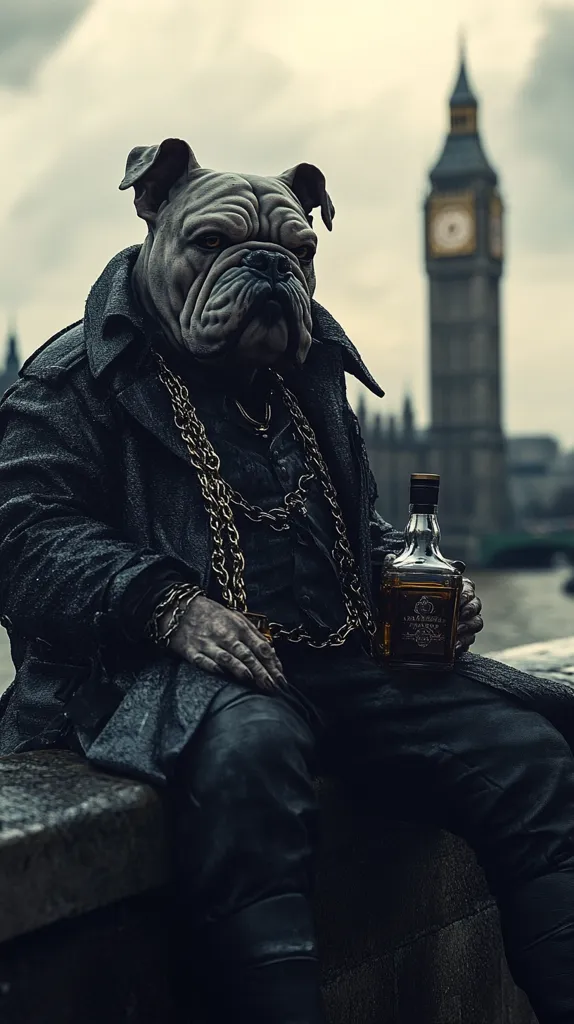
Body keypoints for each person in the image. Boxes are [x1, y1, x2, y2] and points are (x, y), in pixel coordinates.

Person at [1, 139, 574, 1023]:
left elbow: (351, 522)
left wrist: (407, 578)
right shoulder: (74, 377)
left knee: (531, 756)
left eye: (295, 255)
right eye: (213, 247)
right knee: (252, 759)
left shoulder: (303, 372)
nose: (268, 274)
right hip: (170, 678)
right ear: (151, 216)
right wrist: (166, 604)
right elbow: (27, 541)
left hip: (333, 660)